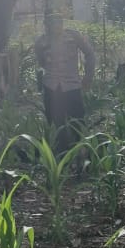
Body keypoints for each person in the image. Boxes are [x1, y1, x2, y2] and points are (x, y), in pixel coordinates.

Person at [34, 14, 96, 153]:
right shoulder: (41, 42)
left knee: (77, 122)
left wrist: (88, 76)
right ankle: (60, 155)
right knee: (56, 125)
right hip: (51, 88)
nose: (55, 25)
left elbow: (90, 54)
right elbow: (41, 61)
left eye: (58, 22)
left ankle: (78, 152)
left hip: (72, 86)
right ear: (46, 25)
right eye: (51, 23)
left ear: (62, 23)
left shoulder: (73, 36)